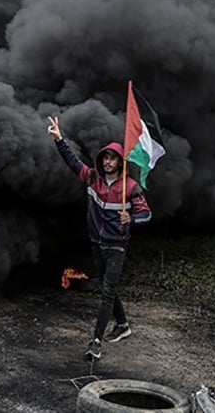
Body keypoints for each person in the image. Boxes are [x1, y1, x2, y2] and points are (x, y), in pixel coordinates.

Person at [47, 115, 151, 361]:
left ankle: (95, 342)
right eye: (105, 157)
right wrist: (59, 140)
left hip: (117, 246)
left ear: (120, 162)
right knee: (107, 286)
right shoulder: (92, 178)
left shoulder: (131, 187)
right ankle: (123, 324)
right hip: (97, 243)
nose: (108, 161)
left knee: (106, 292)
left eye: (113, 158)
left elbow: (146, 214)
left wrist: (132, 219)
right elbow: (74, 163)